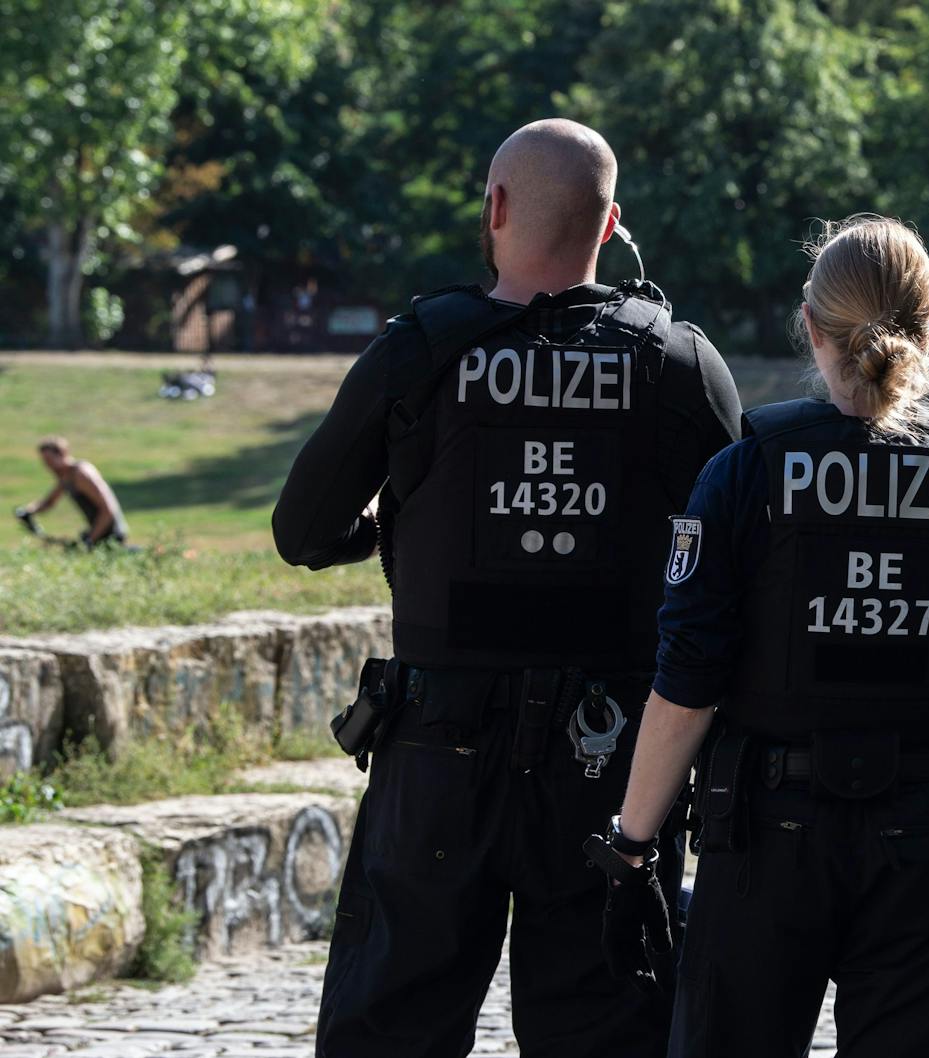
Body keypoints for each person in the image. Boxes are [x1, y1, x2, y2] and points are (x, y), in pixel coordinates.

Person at [272, 118, 741, 1058]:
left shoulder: (420, 349)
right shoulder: (678, 362)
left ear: (493, 207)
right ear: (611, 228)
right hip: (610, 763)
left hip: (438, 750)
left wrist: (382, 533)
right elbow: (741, 560)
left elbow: (301, 529)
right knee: (606, 1027)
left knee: (392, 1023)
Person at [597, 215, 929, 1057]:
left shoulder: (743, 476)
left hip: (764, 841)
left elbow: (687, 686)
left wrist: (632, 851)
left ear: (810, 328)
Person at [14, 437, 128, 547]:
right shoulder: (66, 476)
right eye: (45, 462)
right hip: (97, 533)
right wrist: (28, 510)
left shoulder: (81, 474)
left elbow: (107, 510)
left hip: (111, 534)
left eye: (50, 461)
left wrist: (90, 540)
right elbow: (49, 502)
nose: (48, 466)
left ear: (62, 454)